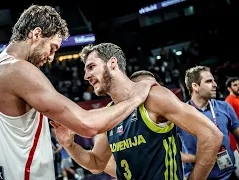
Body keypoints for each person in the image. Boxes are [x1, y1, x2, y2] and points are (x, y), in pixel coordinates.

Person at [0, 5, 155, 180]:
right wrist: (135, 98)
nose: (52, 57)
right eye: (53, 48)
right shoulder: (18, 70)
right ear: (36, 35)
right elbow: (87, 124)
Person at [51, 43, 223, 180]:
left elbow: (211, 134)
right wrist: (69, 144)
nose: (86, 76)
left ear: (112, 63)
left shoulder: (154, 97)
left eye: (91, 67)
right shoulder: (110, 114)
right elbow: (96, 164)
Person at [178, 66, 239, 179]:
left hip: (229, 175)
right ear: (195, 86)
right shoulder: (180, 114)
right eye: (209, 81)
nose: (215, 84)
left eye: (214, 80)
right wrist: (196, 159)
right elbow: (168, 151)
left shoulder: (224, 107)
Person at [226, 77, 239, 151]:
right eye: (235, 85)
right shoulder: (229, 101)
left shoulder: (237, 99)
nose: (238, 86)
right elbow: (231, 125)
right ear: (229, 89)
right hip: (235, 144)